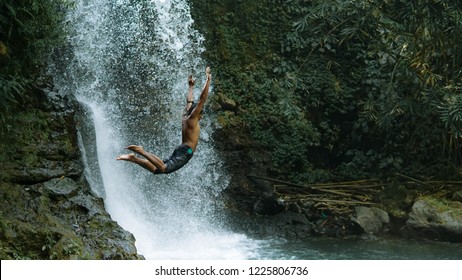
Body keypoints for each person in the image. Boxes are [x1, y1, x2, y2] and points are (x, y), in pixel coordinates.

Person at [116, 66, 211, 174]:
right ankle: (141, 151)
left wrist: (191, 87)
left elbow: (190, 101)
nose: (201, 116)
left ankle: (134, 158)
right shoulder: (192, 120)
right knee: (163, 168)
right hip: (186, 152)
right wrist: (208, 80)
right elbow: (202, 99)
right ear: (197, 114)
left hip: (182, 149)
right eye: (200, 114)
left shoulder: (185, 116)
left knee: (156, 169)